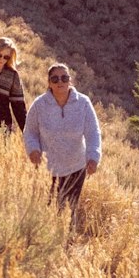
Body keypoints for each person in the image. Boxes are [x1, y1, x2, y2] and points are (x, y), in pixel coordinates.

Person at [24, 63, 101, 209]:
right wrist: (33, 149)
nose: (60, 82)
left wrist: (93, 157)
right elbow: (30, 131)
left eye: (64, 78)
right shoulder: (39, 105)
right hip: (48, 169)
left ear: (70, 81)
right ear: (49, 83)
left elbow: (93, 132)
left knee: (69, 211)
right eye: (55, 79)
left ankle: (69, 232)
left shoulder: (83, 103)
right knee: (51, 210)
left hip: (76, 168)